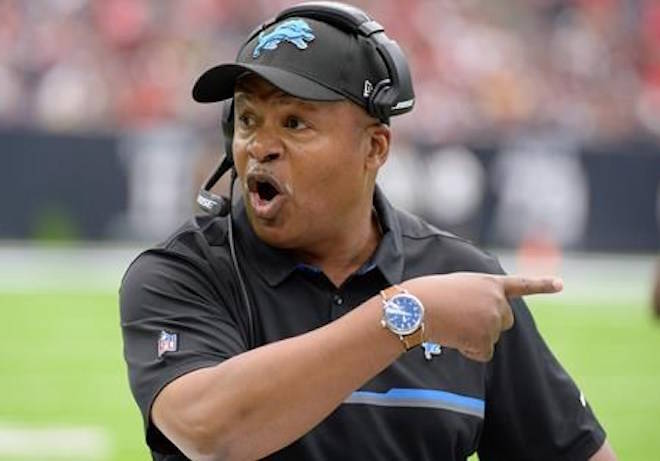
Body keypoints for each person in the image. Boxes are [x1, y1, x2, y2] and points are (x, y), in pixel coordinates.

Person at [120, 2, 617, 460]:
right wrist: (406, 316)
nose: (260, 146)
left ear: (376, 148)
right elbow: (211, 432)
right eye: (248, 119)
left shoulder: (461, 280)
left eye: (295, 123)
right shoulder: (183, 272)